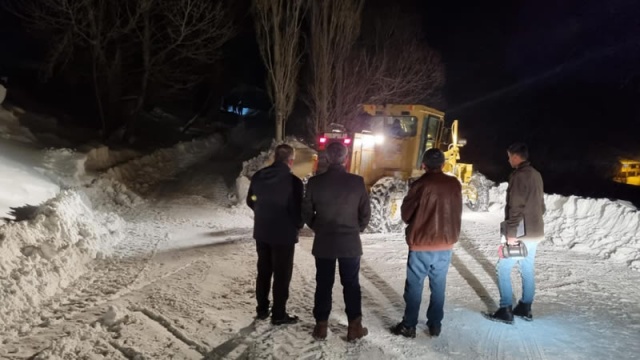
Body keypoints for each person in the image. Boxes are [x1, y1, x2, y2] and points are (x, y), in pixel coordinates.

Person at [390, 148, 462, 339]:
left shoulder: (419, 184)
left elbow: (406, 215)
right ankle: (435, 324)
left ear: (424, 164)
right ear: (443, 165)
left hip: (421, 243)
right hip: (445, 244)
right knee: (438, 285)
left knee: (414, 286)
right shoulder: (454, 184)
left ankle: (409, 325)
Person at [302, 142, 371, 341]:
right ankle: (354, 327)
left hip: (324, 243)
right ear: (345, 158)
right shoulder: (357, 182)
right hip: (350, 243)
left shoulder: (315, 183)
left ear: (327, 158)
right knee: (351, 284)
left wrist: (319, 227)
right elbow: (365, 213)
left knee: (323, 283)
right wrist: (355, 229)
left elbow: (306, 212)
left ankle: (321, 326)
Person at [485, 142, 545, 324]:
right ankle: (525, 307)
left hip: (521, 232)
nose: (508, 159)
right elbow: (541, 205)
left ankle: (505, 309)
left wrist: (511, 233)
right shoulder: (536, 174)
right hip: (535, 230)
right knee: (527, 268)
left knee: (502, 268)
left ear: (517, 157)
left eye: (510, 156)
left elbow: (516, 207)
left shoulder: (519, 176)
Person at [247, 144, 304, 325]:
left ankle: (262, 309)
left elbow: (251, 199)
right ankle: (278, 314)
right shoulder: (293, 181)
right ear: (290, 160)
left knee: (263, 271)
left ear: (275, 157)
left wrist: (261, 209)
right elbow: (297, 210)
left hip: (262, 232)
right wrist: (297, 224)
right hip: (284, 235)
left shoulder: (259, 176)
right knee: (282, 274)